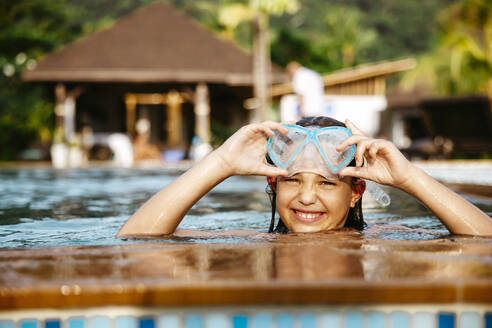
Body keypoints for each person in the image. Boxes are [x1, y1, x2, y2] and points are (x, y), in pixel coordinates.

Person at [116, 116, 492, 238]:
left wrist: (408, 176)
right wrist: (220, 163)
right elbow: (135, 238)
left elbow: (484, 239)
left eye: (327, 182)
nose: (306, 198)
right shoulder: (248, 241)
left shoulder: (386, 239)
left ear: (355, 192)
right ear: (272, 184)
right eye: (293, 179)